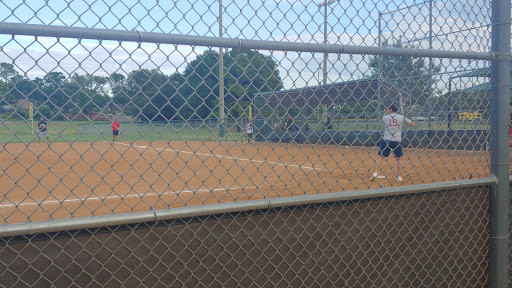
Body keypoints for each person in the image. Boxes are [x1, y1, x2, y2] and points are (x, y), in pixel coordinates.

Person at [370, 104, 414, 182]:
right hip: (397, 140)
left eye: (388, 109)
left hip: (386, 140)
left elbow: (386, 121)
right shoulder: (401, 117)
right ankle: (399, 177)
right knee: (399, 159)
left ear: (390, 110)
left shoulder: (385, 117)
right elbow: (412, 124)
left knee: (381, 157)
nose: (387, 111)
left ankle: (375, 173)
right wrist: (404, 119)